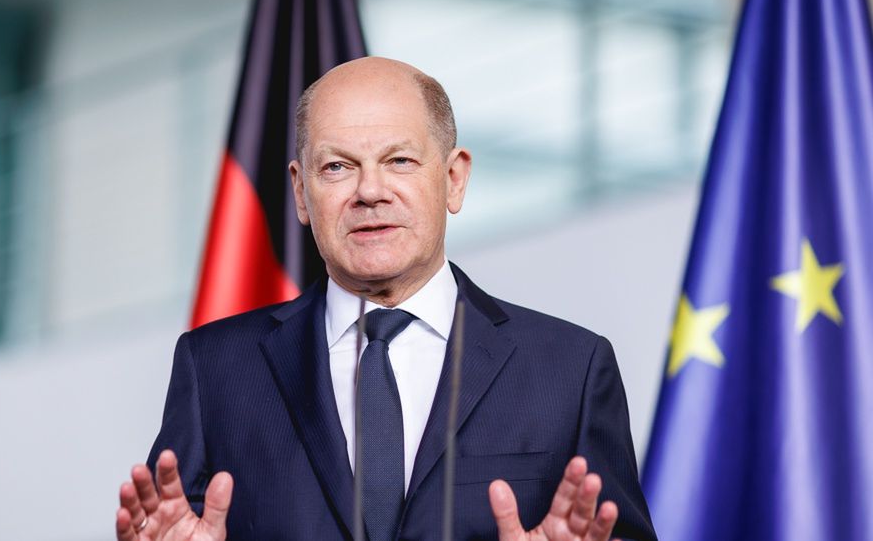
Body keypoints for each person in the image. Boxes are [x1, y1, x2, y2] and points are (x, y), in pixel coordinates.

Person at [115, 57, 657, 541]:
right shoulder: (215, 367)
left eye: (399, 161)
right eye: (337, 167)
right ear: (302, 193)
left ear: (454, 179)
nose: (370, 191)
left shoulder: (571, 368)